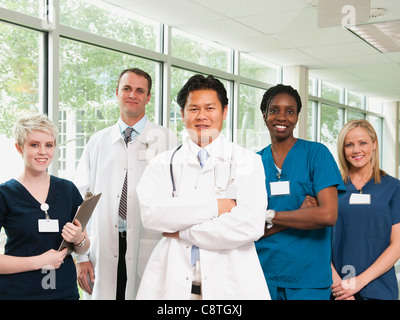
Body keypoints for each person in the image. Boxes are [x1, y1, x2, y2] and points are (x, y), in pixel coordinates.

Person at [136, 74, 270, 300]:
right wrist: (217, 207)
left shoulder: (248, 161)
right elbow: (152, 216)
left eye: (210, 108)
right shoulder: (162, 163)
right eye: (193, 109)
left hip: (231, 287)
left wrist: (182, 230)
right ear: (182, 114)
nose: (202, 116)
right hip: (172, 285)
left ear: (224, 112)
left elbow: (250, 224)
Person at [74, 68, 178, 300]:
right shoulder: (98, 141)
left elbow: (175, 199)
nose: (133, 95)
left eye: (140, 90)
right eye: (127, 89)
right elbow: (81, 200)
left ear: (148, 97)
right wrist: (81, 257)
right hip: (102, 245)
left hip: (148, 242)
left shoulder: (168, 140)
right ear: (117, 92)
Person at [255, 84, 346, 300]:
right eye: (274, 110)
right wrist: (299, 214)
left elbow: (327, 215)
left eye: (290, 111)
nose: (282, 117)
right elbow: (247, 229)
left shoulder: (317, 154)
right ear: (264, 114)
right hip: (262, 275)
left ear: (297, 117)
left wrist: (269, 216)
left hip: (309, 279)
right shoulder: (254, 162)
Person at [0, 113, 89, 300]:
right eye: (34, 145)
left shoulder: (68, 190)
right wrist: (39, 262)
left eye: (48, 145)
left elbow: (83, 247)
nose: (43, 152)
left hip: (64, 293)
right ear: (19, 147)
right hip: (18, 293)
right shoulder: (5, 194)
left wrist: (79, 238)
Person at [331, 119, 400, 300]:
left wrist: (357, 283)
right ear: (342, 148)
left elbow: (398, 244)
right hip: (336, 289)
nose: (356, 150)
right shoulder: (330, 186)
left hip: (379, 290)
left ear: (374, 144)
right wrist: (340, 287)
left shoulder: (394, 188)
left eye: (363, 143)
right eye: (349, 145)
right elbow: (316, 240)